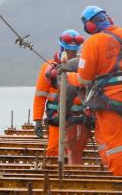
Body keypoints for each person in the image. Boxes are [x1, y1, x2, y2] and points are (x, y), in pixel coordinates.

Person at [76, 6, 122, 177]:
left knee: (115, 143)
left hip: (108, 100)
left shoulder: (92, 43)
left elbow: (84, 79)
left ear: (90, 26)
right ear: (108, 19)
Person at [32, 29, 91, 164]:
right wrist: (37, 120)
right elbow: (40, 95)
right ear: (62, 48)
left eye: (74, 51)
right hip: (56, 116)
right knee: (55, 148)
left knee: (76, 150)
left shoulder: (82, 66)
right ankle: (54, 172)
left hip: (79, 116)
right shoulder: (49, 67)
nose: (71, 54)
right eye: (69, 50)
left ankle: (73, 173)